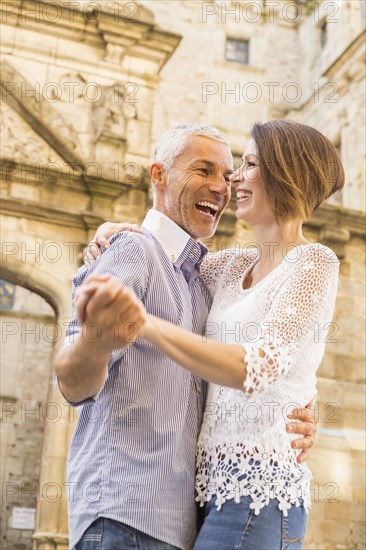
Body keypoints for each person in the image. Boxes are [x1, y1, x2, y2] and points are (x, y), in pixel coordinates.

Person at [78, 120, 344, 549]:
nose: (234, 177)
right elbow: (163, 253)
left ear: (286, 174)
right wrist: (112, 230)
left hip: (260, 492)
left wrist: (144, 324)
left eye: (250, 164)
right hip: (203, 495)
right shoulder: (229, 267)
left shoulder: (314, 262)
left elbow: (259, 367)